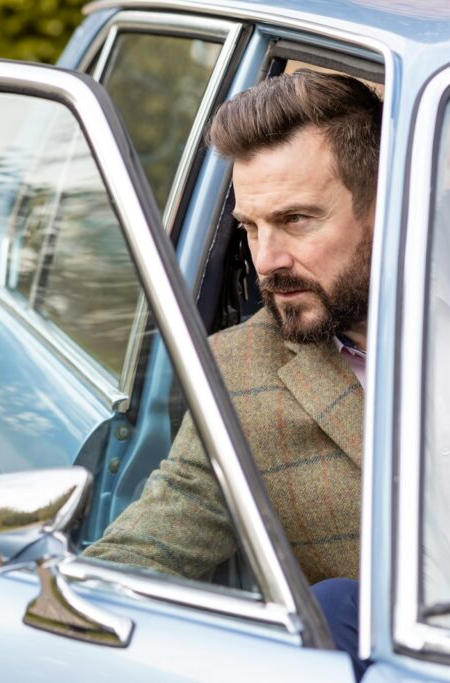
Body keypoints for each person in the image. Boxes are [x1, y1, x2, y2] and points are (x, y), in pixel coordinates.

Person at [85, 70, 380, 677]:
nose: (266, 262)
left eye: (296, 219)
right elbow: (149, 548)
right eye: (250, 227)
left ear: (385, 206)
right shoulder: (241, 371)